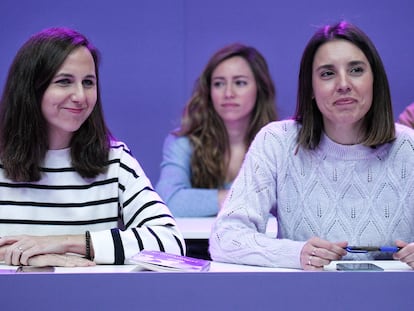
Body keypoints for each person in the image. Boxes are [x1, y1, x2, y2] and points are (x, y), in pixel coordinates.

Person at [209, 21, 414, 270]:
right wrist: (296, 254)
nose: (343, 84)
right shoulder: (277, 142)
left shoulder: (409, 147)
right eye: (327, 73)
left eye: (356, 70)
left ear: (375, 81)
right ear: (311, 88)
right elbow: (225, 238)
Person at [0, 27, 185, 267]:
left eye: (88, 82)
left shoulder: (115, 160)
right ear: (30, 88)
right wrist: (38, 257)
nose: (80, 96)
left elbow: (171, 242)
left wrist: (66, 244)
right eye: (64, 81)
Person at [156, 43, 277, 218]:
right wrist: (238, 198)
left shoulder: (278, 143)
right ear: (209, 91)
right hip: (197, 244)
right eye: (219, 84)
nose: (228, 93)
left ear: (260, 89)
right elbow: (168, 201)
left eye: (240, 83)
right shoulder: (183, 142)